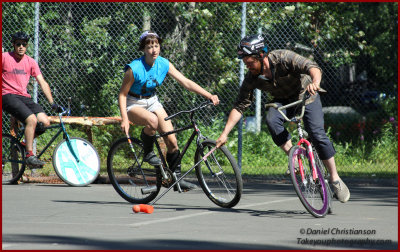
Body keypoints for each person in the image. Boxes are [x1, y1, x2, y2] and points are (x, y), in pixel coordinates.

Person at [216, 34, 350, 203]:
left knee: (317, 134)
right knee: (271, 120)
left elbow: (312, 67)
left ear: (261, 55)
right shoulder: (252, 78)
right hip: (282, 101)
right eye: (245, 63)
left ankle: (335, 178)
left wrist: (315, 82)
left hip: (306, 95)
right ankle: (294, 156)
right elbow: (239, 106)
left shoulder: (282, 58)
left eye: (250, 62)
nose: (247, 66)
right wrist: (224, 133)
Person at [119, 31, 220, 191]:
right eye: (149, 46)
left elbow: (185, 82)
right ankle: (147, 153)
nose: (154, 50)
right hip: (133, 102)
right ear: (143, 49)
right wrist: (125, 119)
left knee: (172, 141)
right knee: (152, 121)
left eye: (156, 46)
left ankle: (176, 179)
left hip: (152, 101)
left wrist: (209, 95)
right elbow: (122, 94)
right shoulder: (134, 68)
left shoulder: (163, 64)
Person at [2, 31, 62, 168]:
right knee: (31, 120)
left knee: (44, 122)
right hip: (7, 96)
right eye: (18, 44)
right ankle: (29, 155)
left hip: (24, 97)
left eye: (24, 44)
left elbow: (42, 82)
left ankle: (22, 145)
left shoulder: (31, 62)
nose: (21, 47)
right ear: (13, 45)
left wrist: (52, 103)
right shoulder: (5, 57)